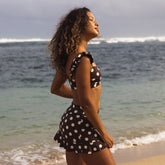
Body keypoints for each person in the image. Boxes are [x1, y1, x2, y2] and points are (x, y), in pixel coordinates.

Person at [48, 7, 116, 165]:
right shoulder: (83, 59)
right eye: (92, 20)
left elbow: (56, 88)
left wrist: (78, 95)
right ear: (79, 25)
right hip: (83, 123)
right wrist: (103, 133)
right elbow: (86, 103)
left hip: (72, 122)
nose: (97, 23)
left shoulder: (70, 56)